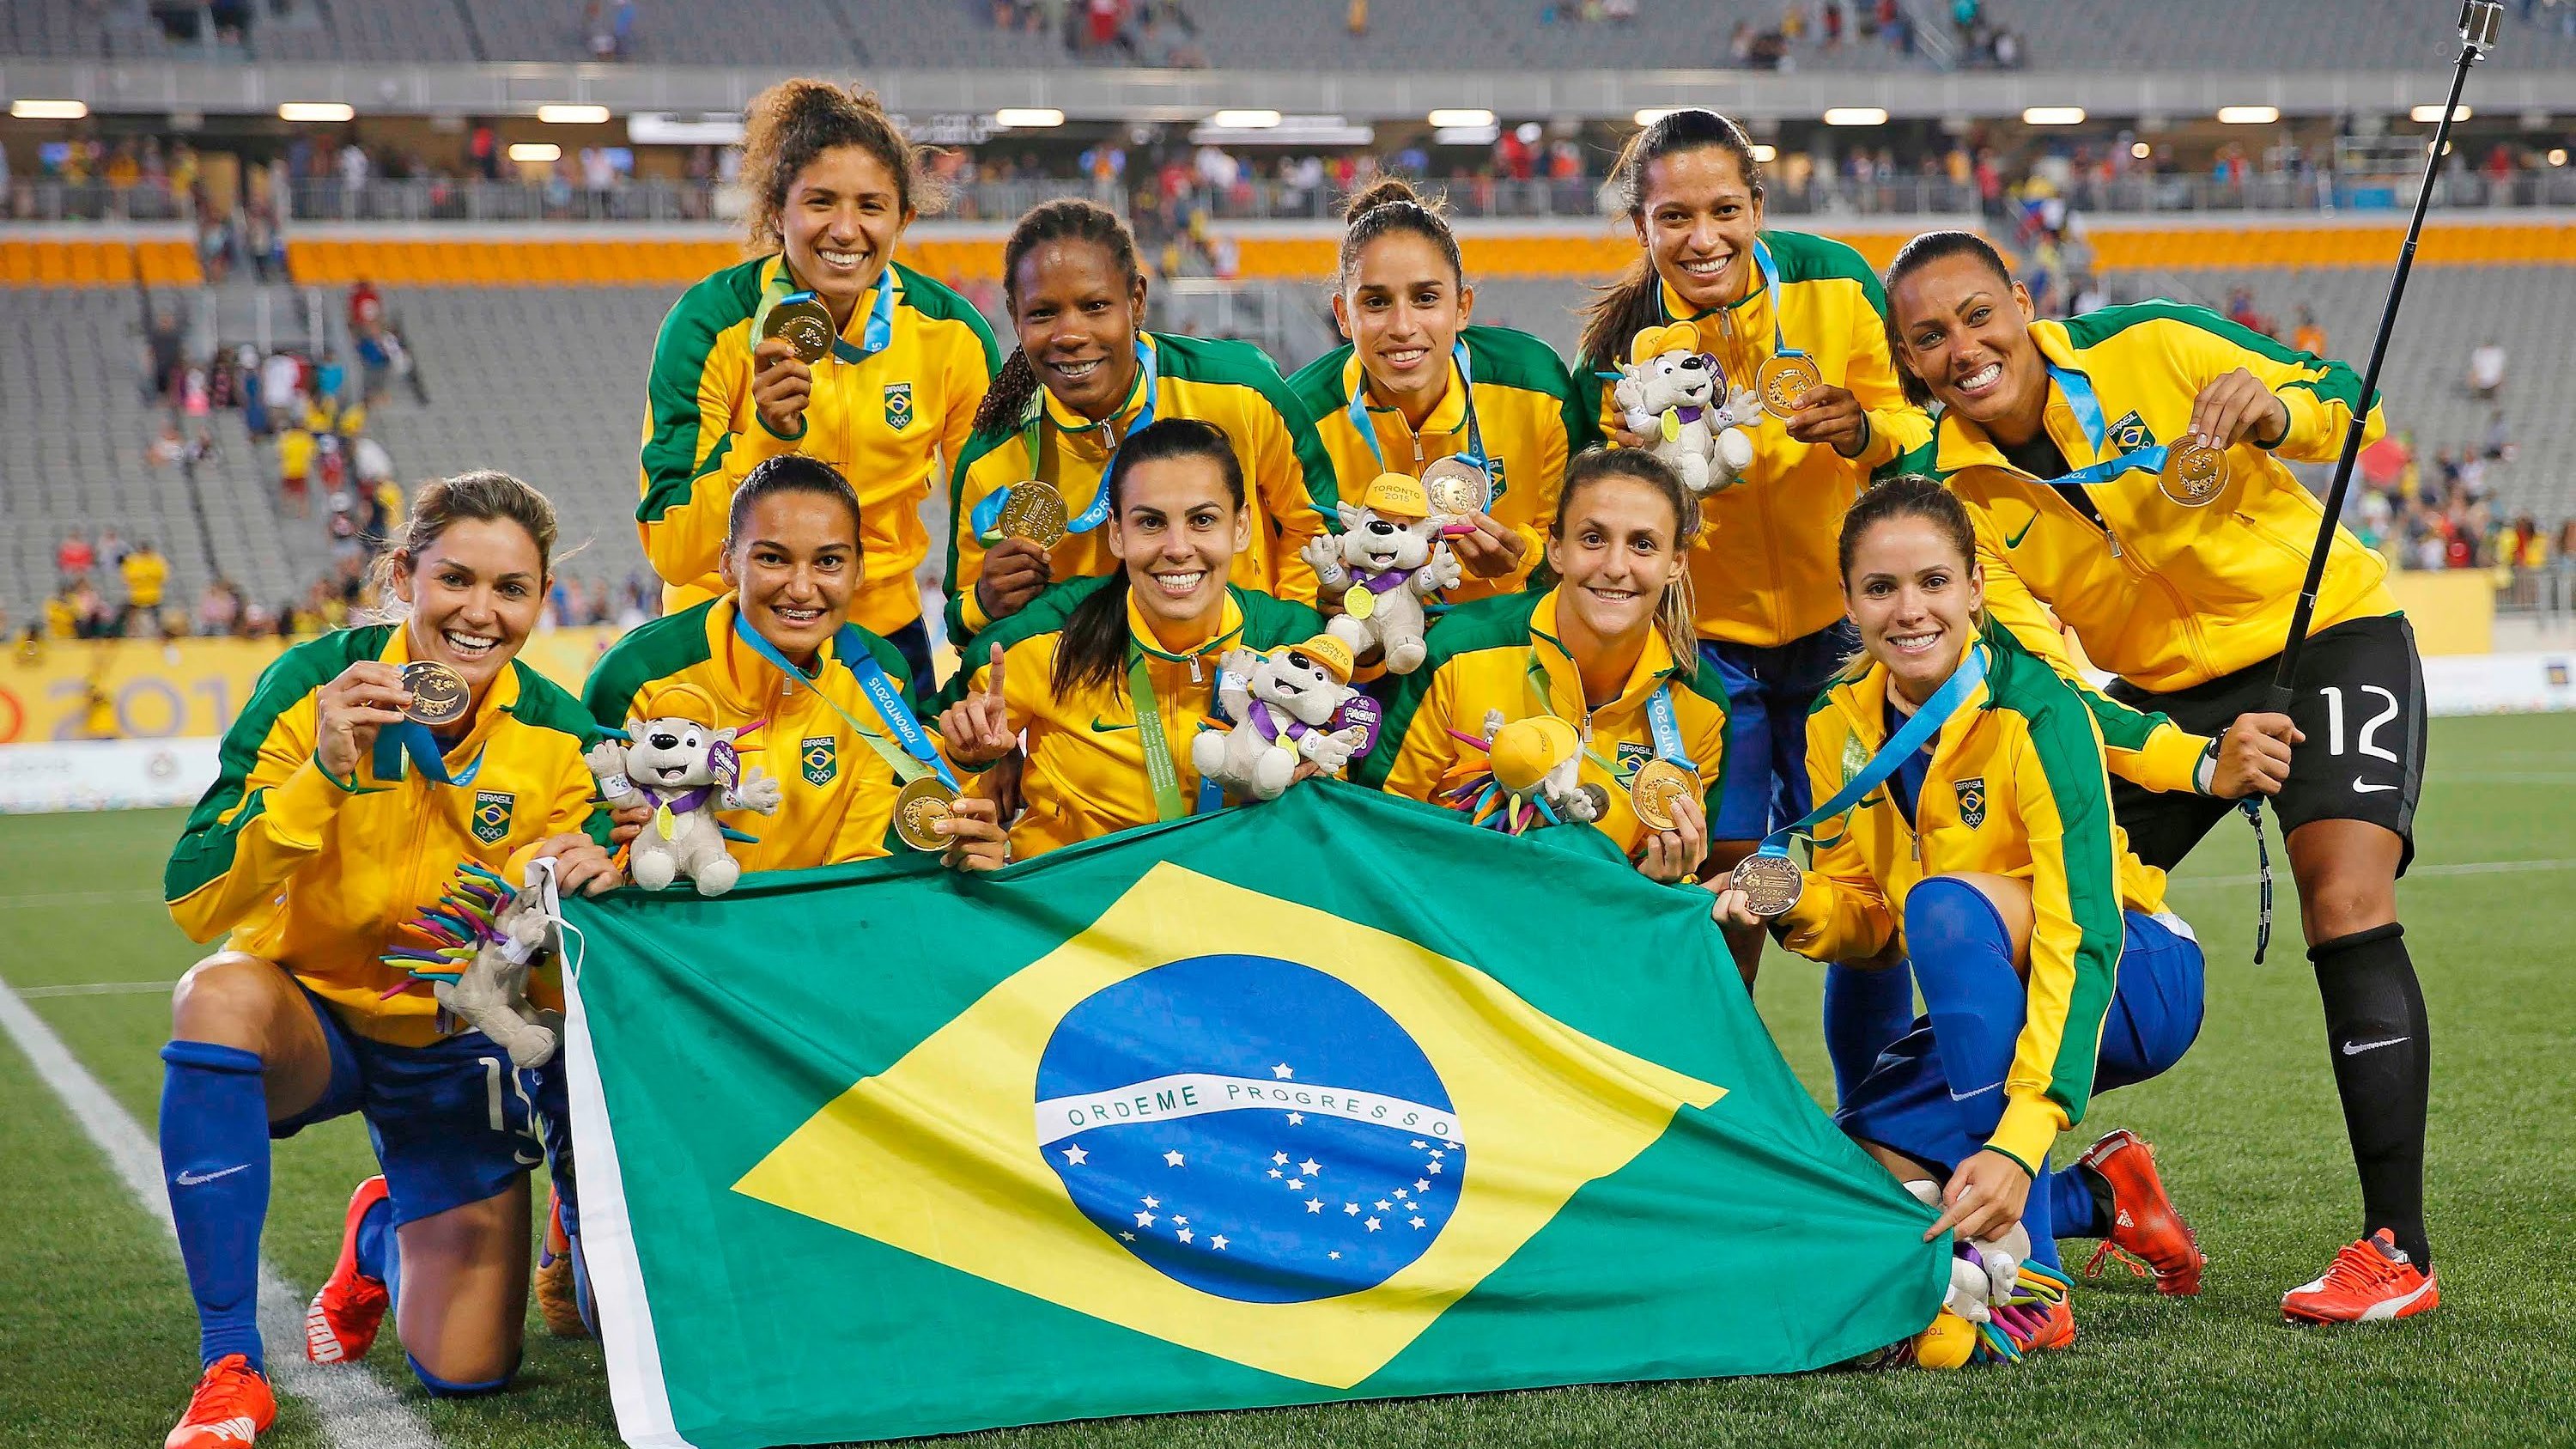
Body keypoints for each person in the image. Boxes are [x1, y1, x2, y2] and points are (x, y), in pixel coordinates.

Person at [1881, 229, 2437, 1324]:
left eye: (1978, 315)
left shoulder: (2153, 343)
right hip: (2163, 693)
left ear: (2023, 303)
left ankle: (2395, 1249)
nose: (1964, 348)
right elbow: (2032, 673)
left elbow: (2351, 401)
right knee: (2016, 888)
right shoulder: (1949, 491)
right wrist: (2191, 757)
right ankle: (2015, 1168)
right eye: (1931, 337)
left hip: (2323, 634)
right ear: (1909, 360)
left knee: (2344, 895)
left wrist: (2277, 413)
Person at [155, 472, 623, 1449]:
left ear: (542, 602)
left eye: (512, 589)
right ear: (406, 572)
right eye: (456, 579)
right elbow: (196, 898)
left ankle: (380, 1230)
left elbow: (576, 942)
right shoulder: (309, 682)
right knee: (213, 1000)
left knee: (470, 1370)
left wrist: (600, 866)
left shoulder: (559, 738)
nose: (480, 613)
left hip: (453, 1048)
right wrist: (325, 768)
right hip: (307, 1017)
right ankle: (231, 1363)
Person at [1712, 476, 2208, 1356]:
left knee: (1944, 905)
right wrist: (1785, 901)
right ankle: (2106, 1196)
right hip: (1985, 1019)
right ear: (1850, 603)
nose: (1911, 611)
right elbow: (1869, 918)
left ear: (1976, 588)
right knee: (1846, 1200)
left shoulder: (2041, 712)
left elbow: (2078, 934)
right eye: (1881, 588)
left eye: (1934, 582)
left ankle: (2034, 1270)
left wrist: (2020, 1138)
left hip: (2134, 975)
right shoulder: (1836, 723)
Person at [1576, 107, 1934, 1097]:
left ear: (1758, 207)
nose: (1704, 239)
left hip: (1841, 641)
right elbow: (1592, 517)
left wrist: (1862, 428)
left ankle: (1878, 1129)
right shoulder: (1620, 358)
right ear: (1641, 228)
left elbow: (1916, 422)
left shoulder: (1833, 281)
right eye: (1674, 218)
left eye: (1725, 211)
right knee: (1720, 885)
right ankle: (1718, 1116)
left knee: (1864, 890)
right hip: (1707, 655)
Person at [637, 78, 1000, 685]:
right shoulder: (708, 327)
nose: (845, 229)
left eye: (871, 205)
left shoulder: (951, 333)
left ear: (903, 218)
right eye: (821, 202)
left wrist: (983, 666)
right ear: (778, 211)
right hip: (722, 630)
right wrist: (765, 440)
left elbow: (987, 521)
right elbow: (674, 549)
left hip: (877, 639)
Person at [933, 417, 1330, 864]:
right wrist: (966, 760)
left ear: (1241, 528)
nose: (1178, 548)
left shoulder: (1295, 643)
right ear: (1117, 533)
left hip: (1239, 903)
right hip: (1074, 908)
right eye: (1150, 523)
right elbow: (922, 768)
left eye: (1202, 520)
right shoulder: (1040, 638)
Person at [942, 199, 1334, 649]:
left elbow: (1315, 527)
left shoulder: (1242, 392)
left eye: (1095, 306)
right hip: (1090, 702)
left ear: (1137, 301)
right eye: (1042, 314)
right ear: (1014, 316)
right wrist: (984, 603)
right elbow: (960, 619)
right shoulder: (991, 455)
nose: (1070, 335)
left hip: (1243, 684)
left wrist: (1285, 643)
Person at [1358, 449, 1724, 882]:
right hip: (1446, 918)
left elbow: (1672, 886)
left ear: (1676, 563)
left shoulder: (1701, 707)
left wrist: (1656, 883)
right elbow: (1375, 827)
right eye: (1593, 539)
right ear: (1556, 550)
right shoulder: (1456, 655)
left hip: (1590, 932)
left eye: (1643, 545)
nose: (1614, 566)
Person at [1287, 179, 1596, 607]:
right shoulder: (1300, 414)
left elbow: (1578, 540)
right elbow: (1295, 575)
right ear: (1343, 315)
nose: (1402, 326)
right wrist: (1328, 597)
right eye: (1376, 303)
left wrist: (1523, 561)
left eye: (1426, 298)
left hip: (1508, 643)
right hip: (1366, 657)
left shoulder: (1536, 385)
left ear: (1463, 307)